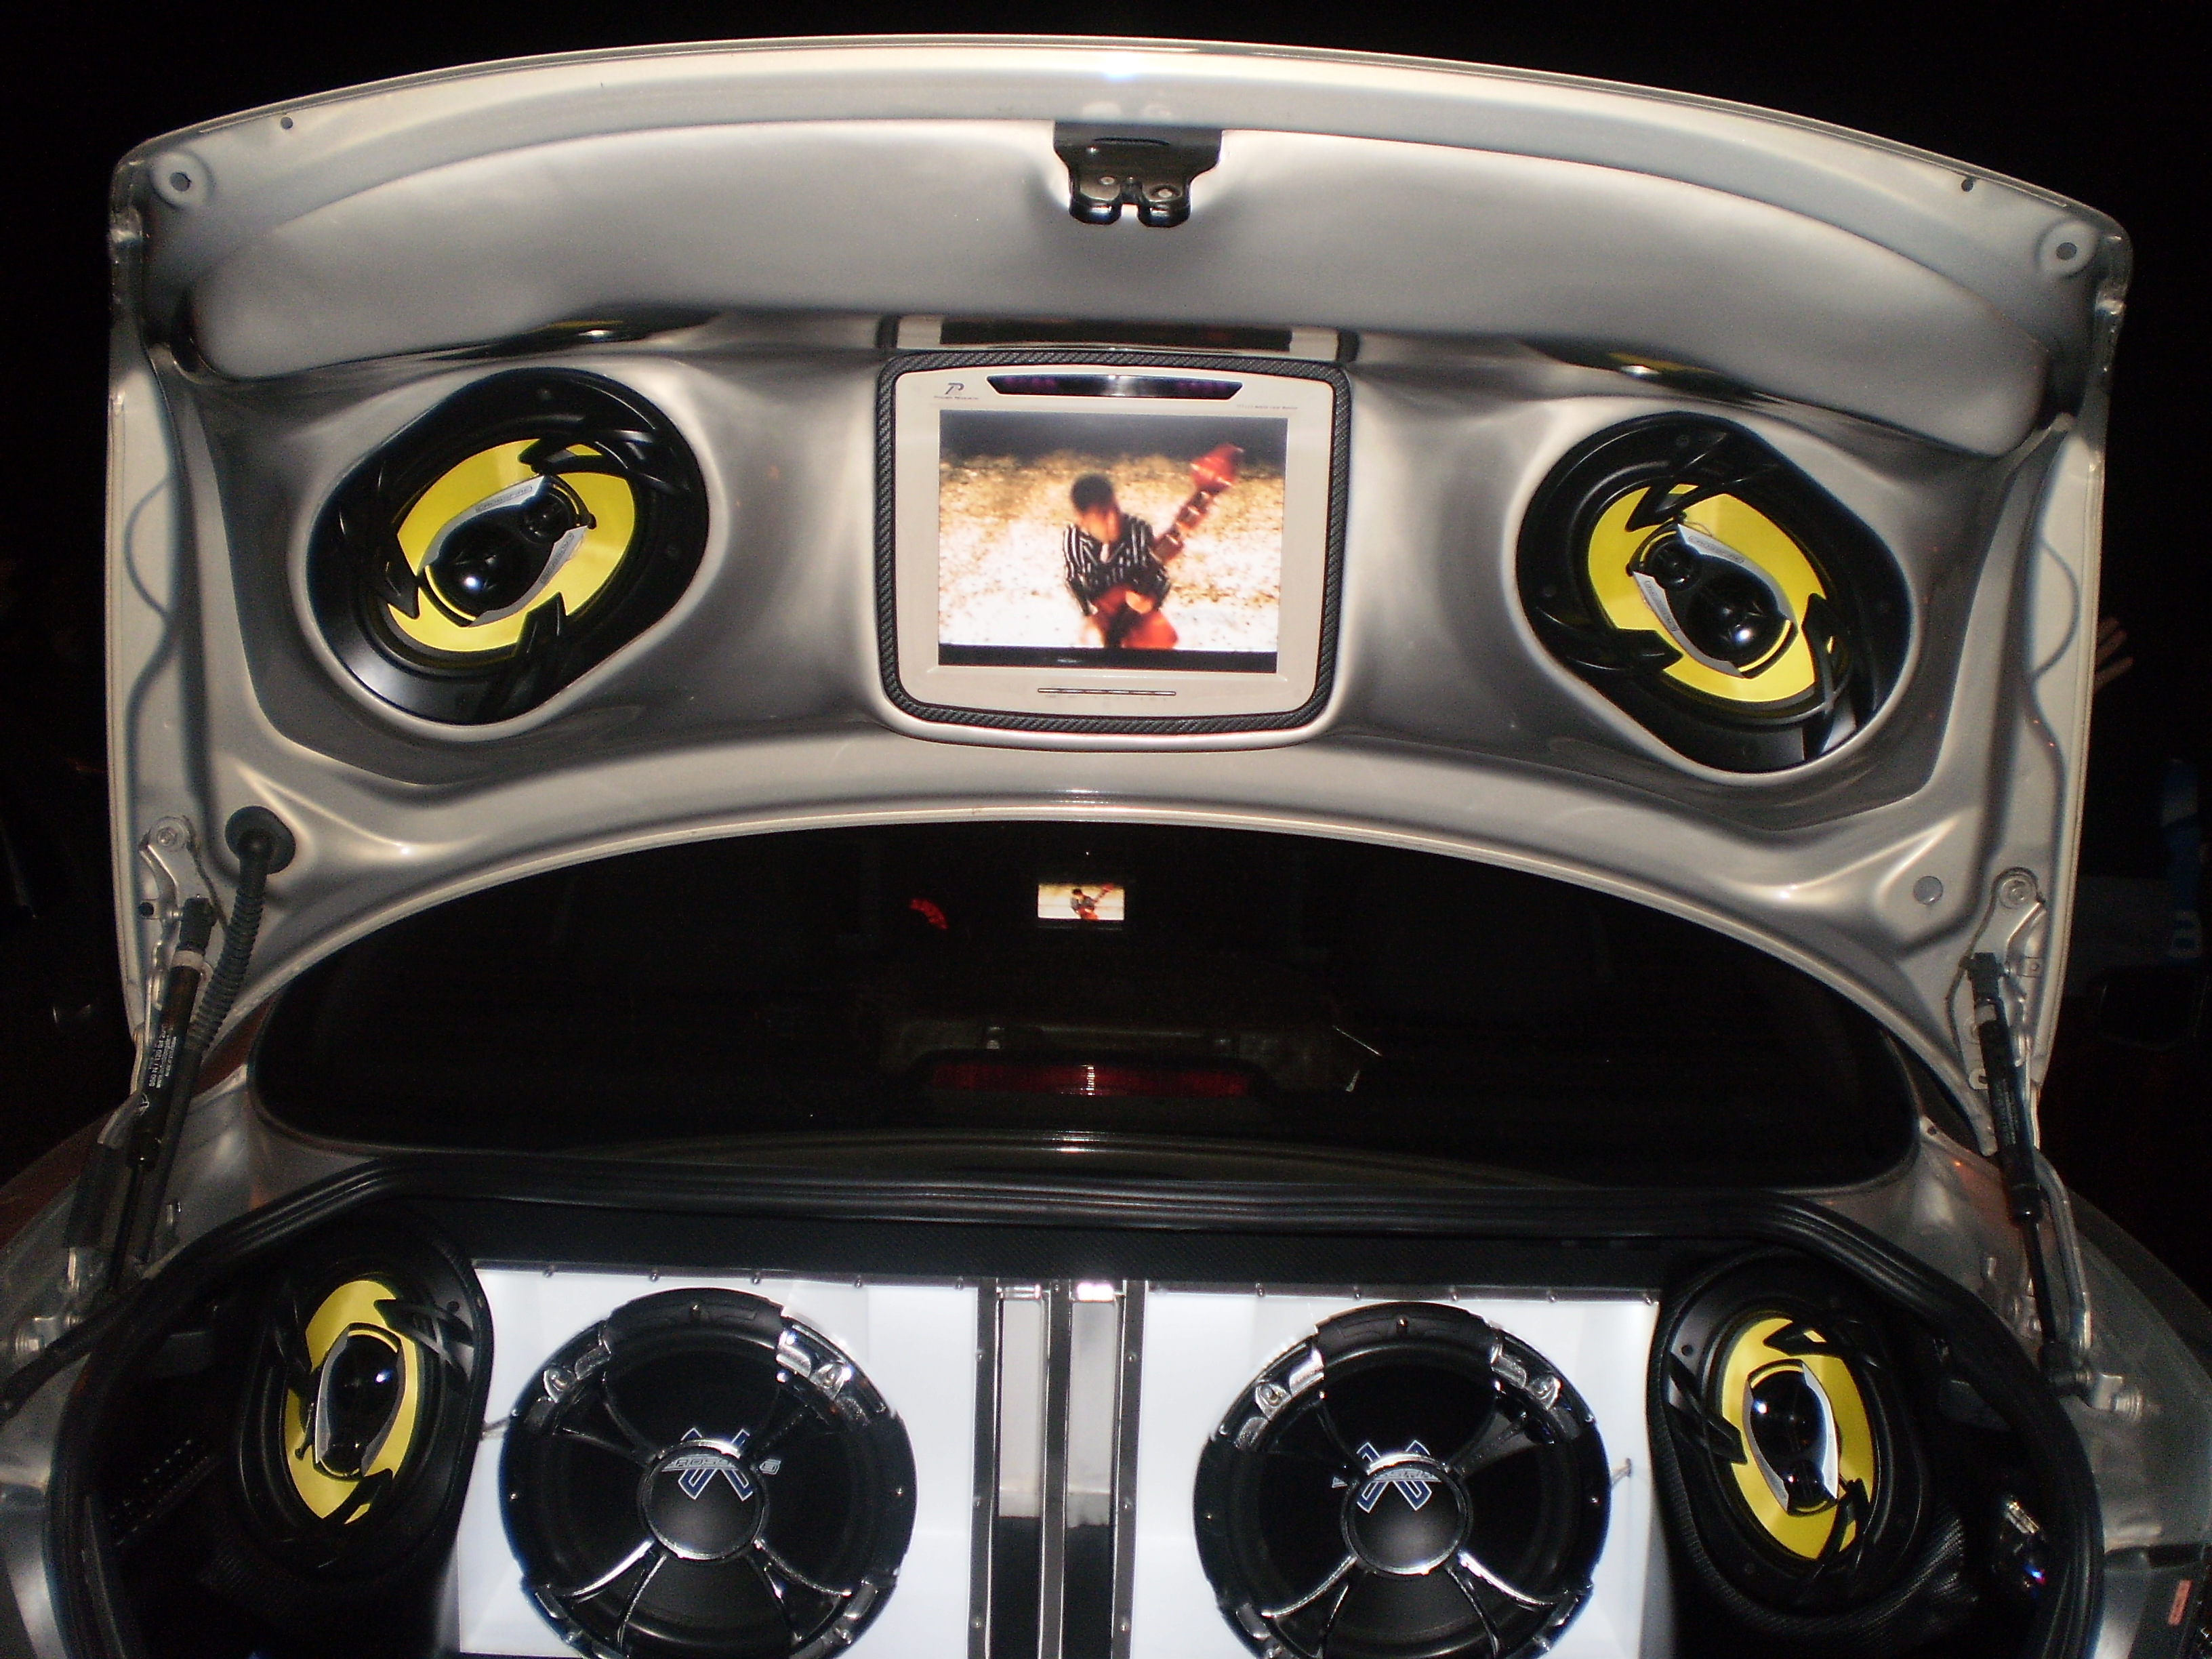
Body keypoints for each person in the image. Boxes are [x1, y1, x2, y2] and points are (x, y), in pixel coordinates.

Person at [1060, 445, 1242, 651]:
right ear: (1081, 519)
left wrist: (1151, 600)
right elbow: (1073, 578)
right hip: (1101, 619)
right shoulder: (1074, 537)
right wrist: (1089, 614)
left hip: (1136, 617)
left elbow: (1161, 577)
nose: (1113, 520)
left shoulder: (1138, 530)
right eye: (1102, 515)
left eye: (1115, 509)